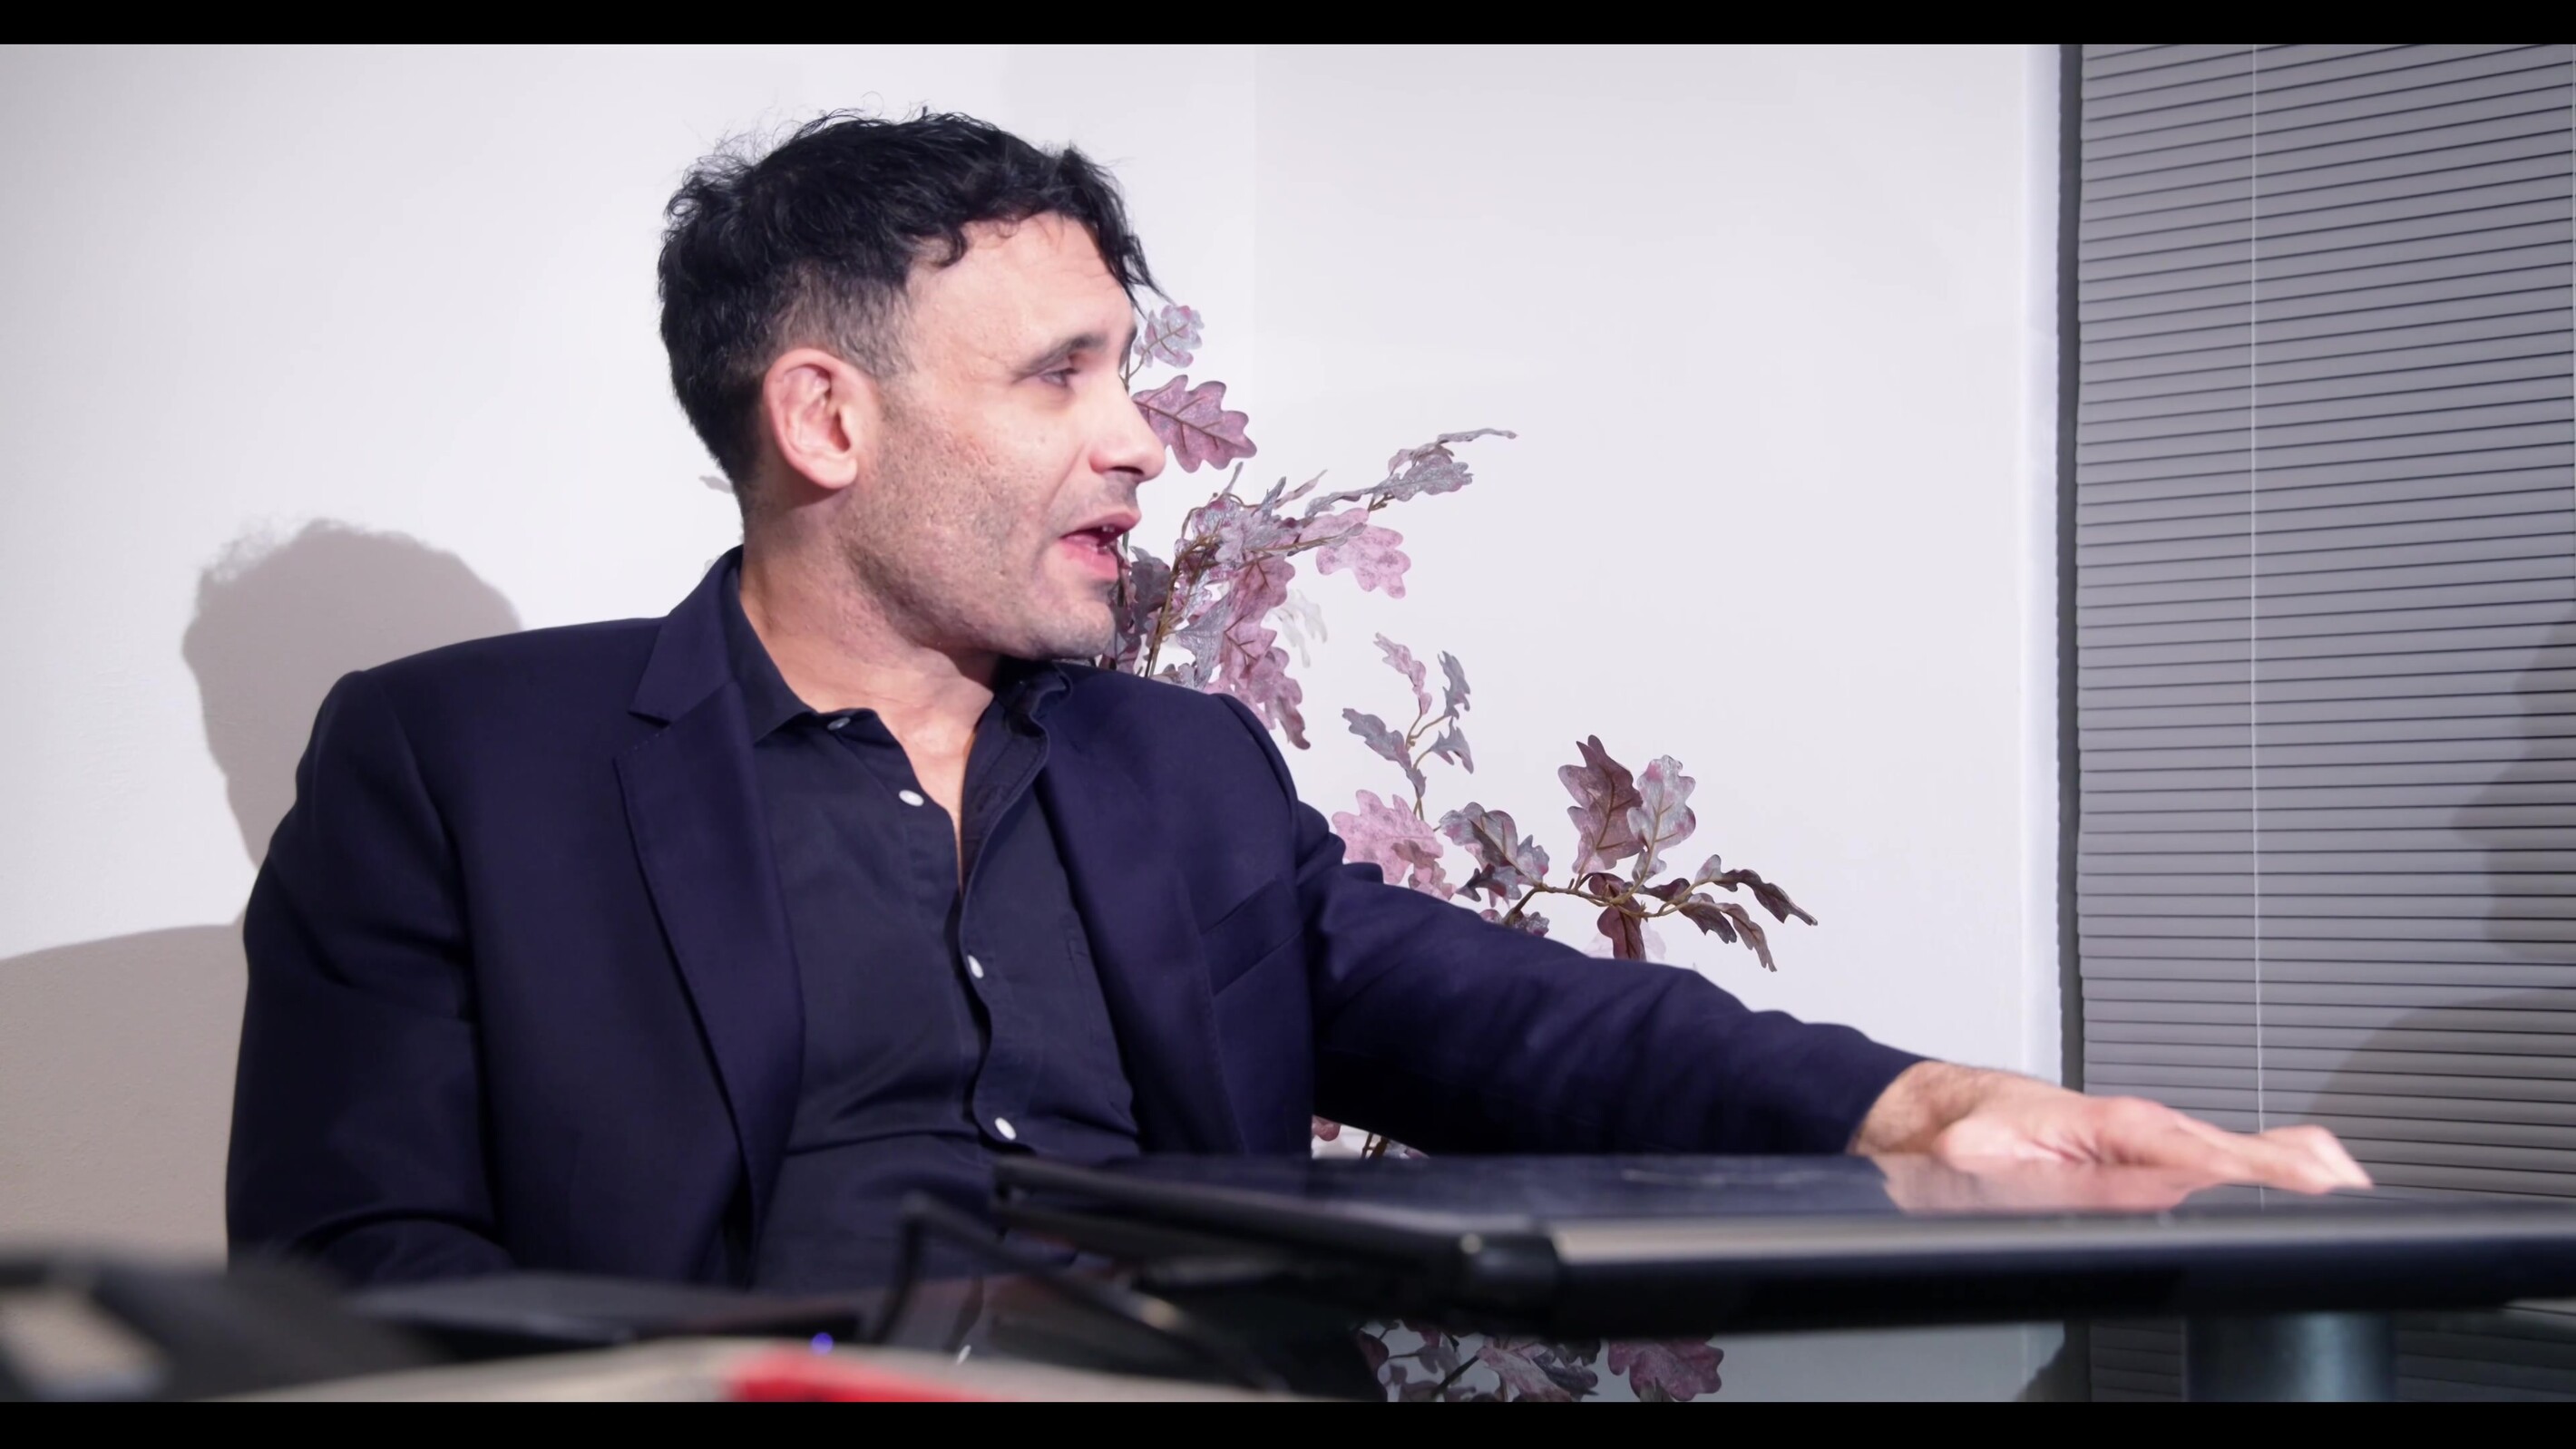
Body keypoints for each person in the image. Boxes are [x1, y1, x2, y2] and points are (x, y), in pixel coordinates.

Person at [226, 112, 2367, 1293]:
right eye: (1062, 375)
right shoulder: (464, 768)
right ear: (825, 417)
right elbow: (355, 1265)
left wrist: (1923, 1108)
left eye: (1130, 371)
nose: (1141, 440)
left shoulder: (1174, 769)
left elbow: (1527, 1023)